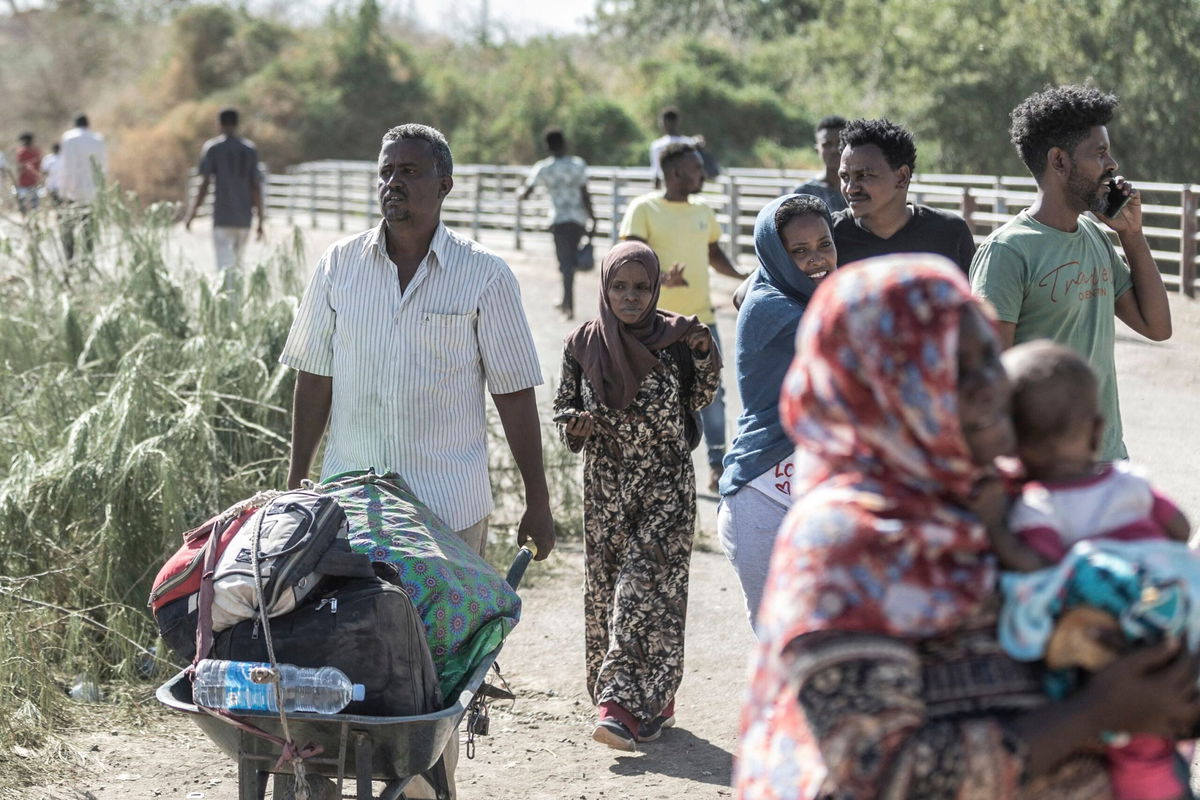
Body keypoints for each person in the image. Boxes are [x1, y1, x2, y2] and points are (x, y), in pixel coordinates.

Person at [736, 254, 1200, 800]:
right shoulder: (845, 541)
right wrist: (1095, 713)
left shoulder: (1007, 493)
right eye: (952, 366)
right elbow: (880, 773)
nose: (990, 385)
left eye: (989, 358)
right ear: (880, 382)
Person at [280, 124, 556, 798]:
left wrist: (538, 499)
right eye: (385, 172)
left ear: (444, 185)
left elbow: (513, 389)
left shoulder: (484, 276)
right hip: (348, 515)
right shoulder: (339, 266)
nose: (393, 184)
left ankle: (429, 786)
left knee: (433, 683)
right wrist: (295, 481)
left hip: (445, 514)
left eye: (408, 171)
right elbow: (313, 377)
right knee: (344, 665)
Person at [991, 340, 1194, 800]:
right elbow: (1179, 528)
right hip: (1167, 613)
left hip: (1103, 640)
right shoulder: (1131, 482)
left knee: (1135, 745)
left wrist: (998, 534)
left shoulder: (1037, 508)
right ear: (1097, 428)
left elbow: (1038, 567)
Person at [553, 240, 720, 751]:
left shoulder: (678, 338)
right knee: (608, 594)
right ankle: (656, 701)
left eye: (641, 287)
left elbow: (702, 397)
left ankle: (619, 709)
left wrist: (704, 353)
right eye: (619, 287)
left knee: (644, 590)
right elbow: (563, 410)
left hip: (667, 485)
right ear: (604, 287)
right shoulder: (582, 343)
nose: (630, 297)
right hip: (606, 489)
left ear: (656, 288)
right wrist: (577, 426)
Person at [969, 84, 1172, 463]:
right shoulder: (1008, 252)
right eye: (1099, 153)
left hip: (1108, 459)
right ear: (1059, 161)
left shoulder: (1095, 235)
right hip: (1047, 474)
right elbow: (989, 380)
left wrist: (1132, 234)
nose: (1112, 164)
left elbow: (1157, 327)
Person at [717, 194, 835, 632]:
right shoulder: (775, 310)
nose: (817, 260)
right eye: (798, 252)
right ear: (775, 256)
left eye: (825, 244)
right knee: (781, 640)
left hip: (808, 494)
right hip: (763, 496)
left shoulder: (785, 290)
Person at [620, 140, 742, 491]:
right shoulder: (644, 209)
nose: (702, 173)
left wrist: (741, 276)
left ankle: (717, 465)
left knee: (712, 392)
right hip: (654, 322)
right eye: (696, 168)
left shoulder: (703, 211)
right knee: (654, 394)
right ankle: (658, 469)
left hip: (702, 321)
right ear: (674, 173)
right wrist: (658, 278)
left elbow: (714, 254)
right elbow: (626, 259)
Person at [833, 117, 976, 270]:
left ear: (902, 177)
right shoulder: (830, 236)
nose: (850, 189)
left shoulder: (949, 232)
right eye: (845, 177)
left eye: (864, 175)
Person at [185, 107, 265, 295]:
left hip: (222, 216)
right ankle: (236, 308)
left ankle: (226, 312)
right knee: (238, 265)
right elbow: (256, 186)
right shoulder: (249, 149)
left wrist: (191, 214)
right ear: (237, 124)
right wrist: (261, 220)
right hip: (244, 218)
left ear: (219, 124)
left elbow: (204, 185)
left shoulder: (213, 148)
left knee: (224, 268)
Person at [519, 126, 595, 320]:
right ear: (565, 143)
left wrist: (519, 194)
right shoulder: (578, 165)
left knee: (565, 262)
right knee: (568, 262)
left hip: (559, 221)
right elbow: (585, 194)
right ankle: (565, 300)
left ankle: (568, 306)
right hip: (578, 220)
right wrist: (593, 217)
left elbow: (526, 193)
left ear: (547, 146)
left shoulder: (544, 168)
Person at [58, 114, 107, 264]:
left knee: (67, 228)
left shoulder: (69, 138)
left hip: (73, 191)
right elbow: (103, 167)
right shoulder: (98, 139)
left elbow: (67, 166)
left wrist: (64, 191)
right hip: (92, 191)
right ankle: (88, 261)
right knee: (88, 229)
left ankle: (70, 260)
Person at [789, 116, 847, 213]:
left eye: (840, 143)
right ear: (817, 150)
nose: (834, 149)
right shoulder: (805, 192)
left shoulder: (858, 189)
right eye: (826, 145)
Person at [649, 105, 694, 188]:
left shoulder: (657, 145)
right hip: (686, 186)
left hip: (667, 187)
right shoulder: (689, 142)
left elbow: (656, 173)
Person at [14, 133, 43, 215]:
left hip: (23, 182)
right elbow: (40, 166)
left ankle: (27, 219)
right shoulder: (36, 151)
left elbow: (19, 167)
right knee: (35, 204)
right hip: (34, 181)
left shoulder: (21, 151)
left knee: (23, 203)